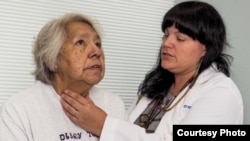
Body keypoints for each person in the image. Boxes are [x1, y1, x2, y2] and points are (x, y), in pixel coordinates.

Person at [60, 1, 244, 141]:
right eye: (166, 35)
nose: (167, 43)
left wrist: (103, 125)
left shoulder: (221, 94)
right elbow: (130, 128)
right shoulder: (157, 88)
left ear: (206, 48)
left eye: (180, 38)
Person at [0, 12, 126, 141]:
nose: (97, 52)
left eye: (98, 44)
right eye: (80, 42)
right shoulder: (19, 110)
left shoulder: (113, 103)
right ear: (53, 60)